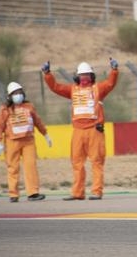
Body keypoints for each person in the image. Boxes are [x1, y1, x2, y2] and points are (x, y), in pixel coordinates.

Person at [41, 58, 119, 201]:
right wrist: (47, 74)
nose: (84, 78)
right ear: (77, 76)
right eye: (82, 75)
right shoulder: (72, 89)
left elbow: (110, 83)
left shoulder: (98, 88)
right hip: (78, 131)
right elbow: (56, 87)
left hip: (95, 130)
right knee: (77, 162)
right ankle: (77, 193)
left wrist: (114, 71)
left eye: (87, 75)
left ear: (92, 76)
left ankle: (96, 191)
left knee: (96, 161)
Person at [0, 82, 52, 202]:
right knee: (13, 168)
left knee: (31, 166)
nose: (18, 95)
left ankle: (33, 193)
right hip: (12, 142)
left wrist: (45, 134)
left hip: (28, 141)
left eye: (20, 92)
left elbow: (37, 121)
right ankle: (13, 194)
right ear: (9, 96)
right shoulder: (5, 108)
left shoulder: (29, 106)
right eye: (15, 93)